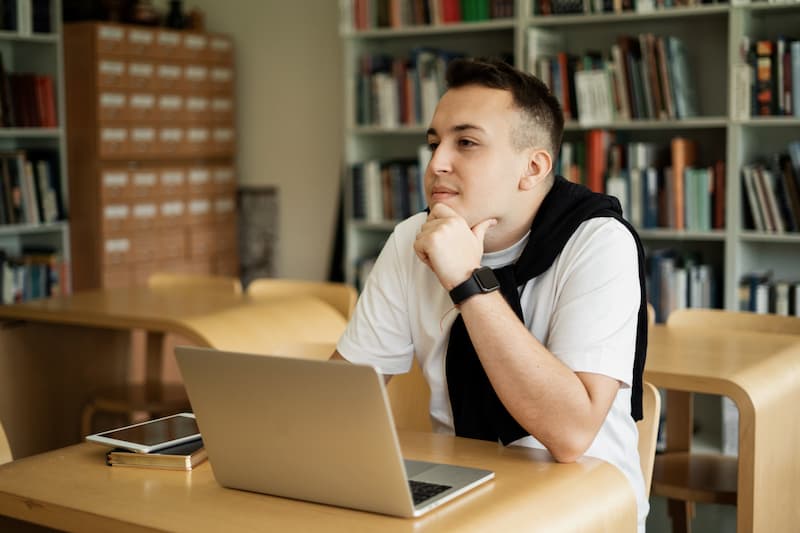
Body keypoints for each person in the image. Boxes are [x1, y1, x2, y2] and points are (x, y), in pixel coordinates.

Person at [331, 57, 648, 530]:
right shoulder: (410, 238)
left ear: (533, 167)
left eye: (467, 143)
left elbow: (571, 434)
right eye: (435, 143)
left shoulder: (599, 241)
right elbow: (341, 396)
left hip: (584, 503)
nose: (436, 162)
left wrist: (467, 279)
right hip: (459, 492)